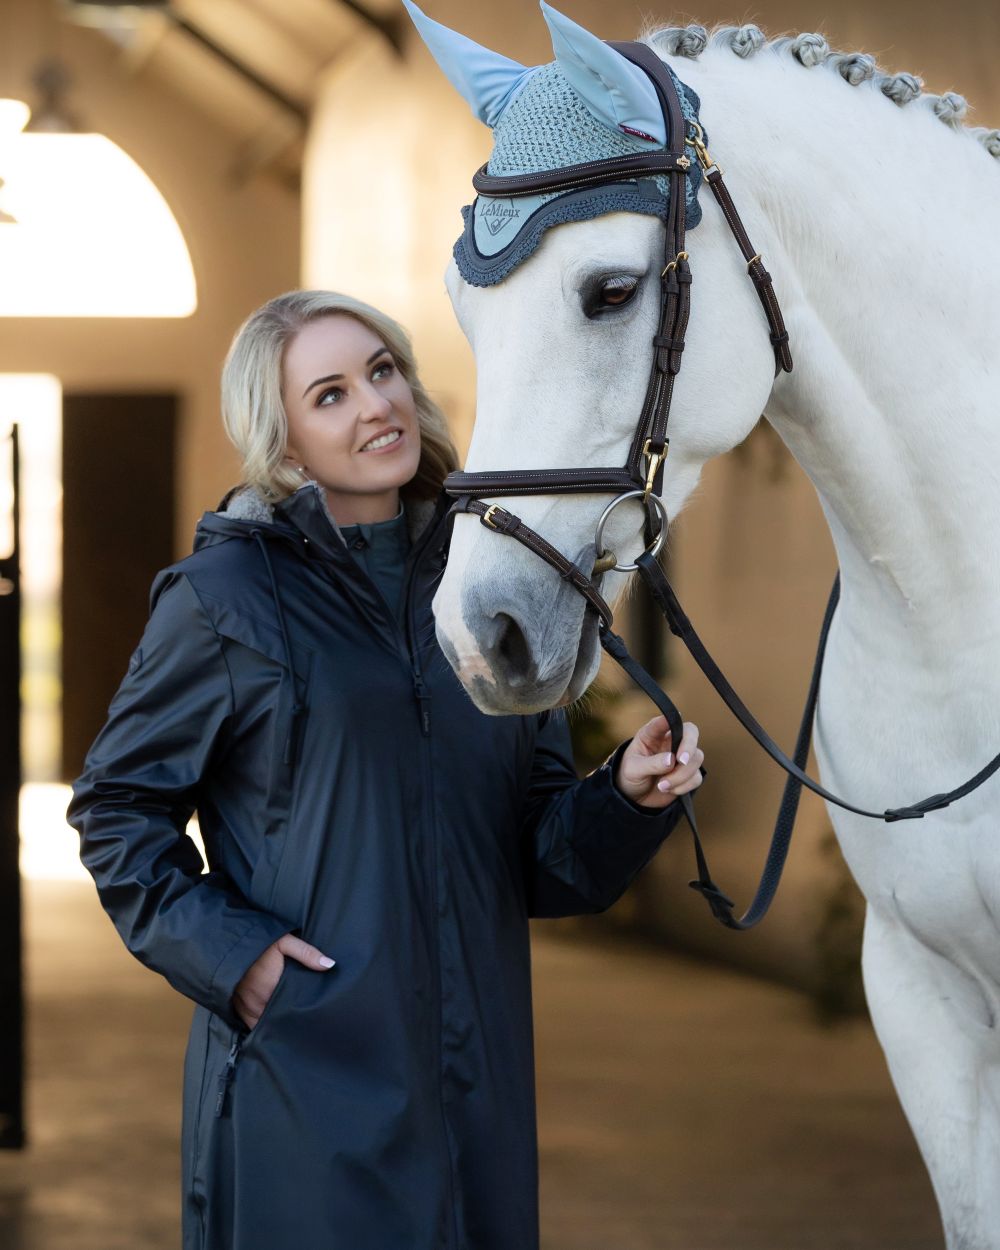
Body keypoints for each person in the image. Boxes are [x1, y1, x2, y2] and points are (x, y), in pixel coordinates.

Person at [67, 289, 705, 1250]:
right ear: (282, 443)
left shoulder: (485, 588)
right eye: (329, 394)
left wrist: (619, 796)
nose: (375, 404)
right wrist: (237, 962)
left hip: (475, 1085)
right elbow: (117, 813)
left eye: (382, 370)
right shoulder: (223, 600)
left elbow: (534, 856)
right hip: (307, 1073)